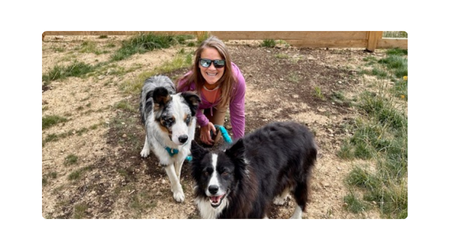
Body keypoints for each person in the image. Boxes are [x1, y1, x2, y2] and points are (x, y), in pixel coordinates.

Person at [176, 36, 246, 146]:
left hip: (219, 103)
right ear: (198, 64)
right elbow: (184, 107)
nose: (212, 68)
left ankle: (211, 117)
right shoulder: (186, 84)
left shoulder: (236, 82)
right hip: (196, 107)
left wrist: (240, 147)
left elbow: (238, 115)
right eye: (205, 62)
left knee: (211, 140)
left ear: (226, 64)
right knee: (185, 139)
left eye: (218, 63)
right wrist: (203, 122)